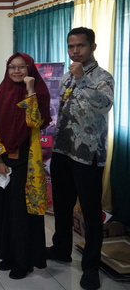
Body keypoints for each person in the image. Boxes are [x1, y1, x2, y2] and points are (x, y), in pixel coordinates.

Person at [46, 27, 114, 290]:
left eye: (80, 46)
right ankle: (61, 248)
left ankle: (91, 266)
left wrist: (82, 79)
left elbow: (104, 105)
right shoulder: (65, 77)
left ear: (92, 47)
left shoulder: (103, 77)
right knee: (62, 206)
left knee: (90, 211)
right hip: (63, 151)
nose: (75, 51)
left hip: (88, 156)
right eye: (71, 46)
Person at [0, 52, 51, 279]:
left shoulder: (40, 93)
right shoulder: (2, 91)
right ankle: (8, 254)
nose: (16, 71)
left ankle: (25, 261)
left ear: (30, 69)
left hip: (27, 160)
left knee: (23, 211)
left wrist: (30, 91)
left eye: (21, 67)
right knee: (4, 209)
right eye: (12, 67)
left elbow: (34, 122)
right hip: (3, 159)